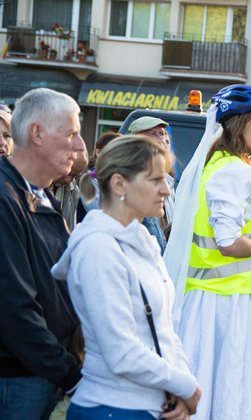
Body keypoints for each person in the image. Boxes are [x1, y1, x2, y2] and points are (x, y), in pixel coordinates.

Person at [167, 84, 251, 419]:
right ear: (237, 124)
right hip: (232, 303)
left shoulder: (220, 163)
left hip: (218, 299)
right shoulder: (234, 170)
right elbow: (228, 242)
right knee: (239, 392)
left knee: (216, 390)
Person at [53, 136, 201, 419]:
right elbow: (121, 351)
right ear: (119, 184)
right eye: (155, 180)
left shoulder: (142, 239)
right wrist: (184, 385)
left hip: (150, 404)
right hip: (113, 407)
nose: (166, 191)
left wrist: (179, 388)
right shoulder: (98, 248)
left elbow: (164, 327)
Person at [0, 88, 85, 419]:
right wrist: (69, 374)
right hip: (18, 378)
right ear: (36, 133)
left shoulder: (39, 194)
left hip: (40, 372)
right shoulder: (6, 199)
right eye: (72, 135)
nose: (79, 147)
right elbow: (14, 306)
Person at [129, 116, 174, 247]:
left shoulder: (169, 181)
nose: (162, 139)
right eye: (153, 134)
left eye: (163, 133)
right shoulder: (134, 180)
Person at [53, 150, 89, 230]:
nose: (68, 180)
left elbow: (71, 226)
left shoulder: (74, 190)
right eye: (69, 173)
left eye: (74, 176)